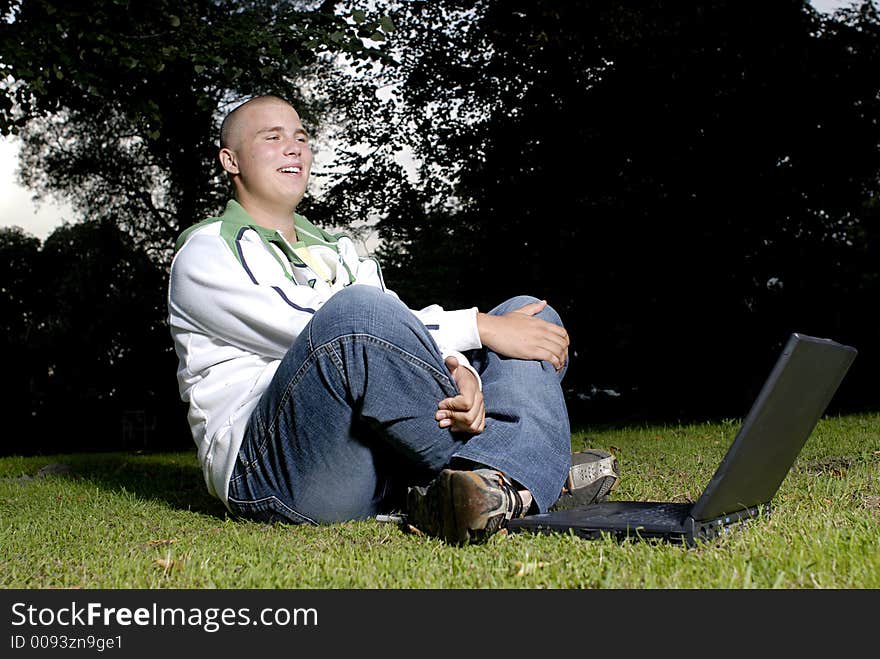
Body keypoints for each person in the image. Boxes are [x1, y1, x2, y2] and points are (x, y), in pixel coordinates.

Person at [167, 94, 619, 545]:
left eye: (301, 137)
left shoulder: (339, 248)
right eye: (273, 137)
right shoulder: (206, 252)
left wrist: (458, 369)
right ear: (231, 160)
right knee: (359, 312)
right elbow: (337, 330)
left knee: (528, 310)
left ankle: (489, 485)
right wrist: (477, 328)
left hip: (380, 459)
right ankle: (534, 467)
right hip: (273, 469)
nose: (294, 147)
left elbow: (396, 334)